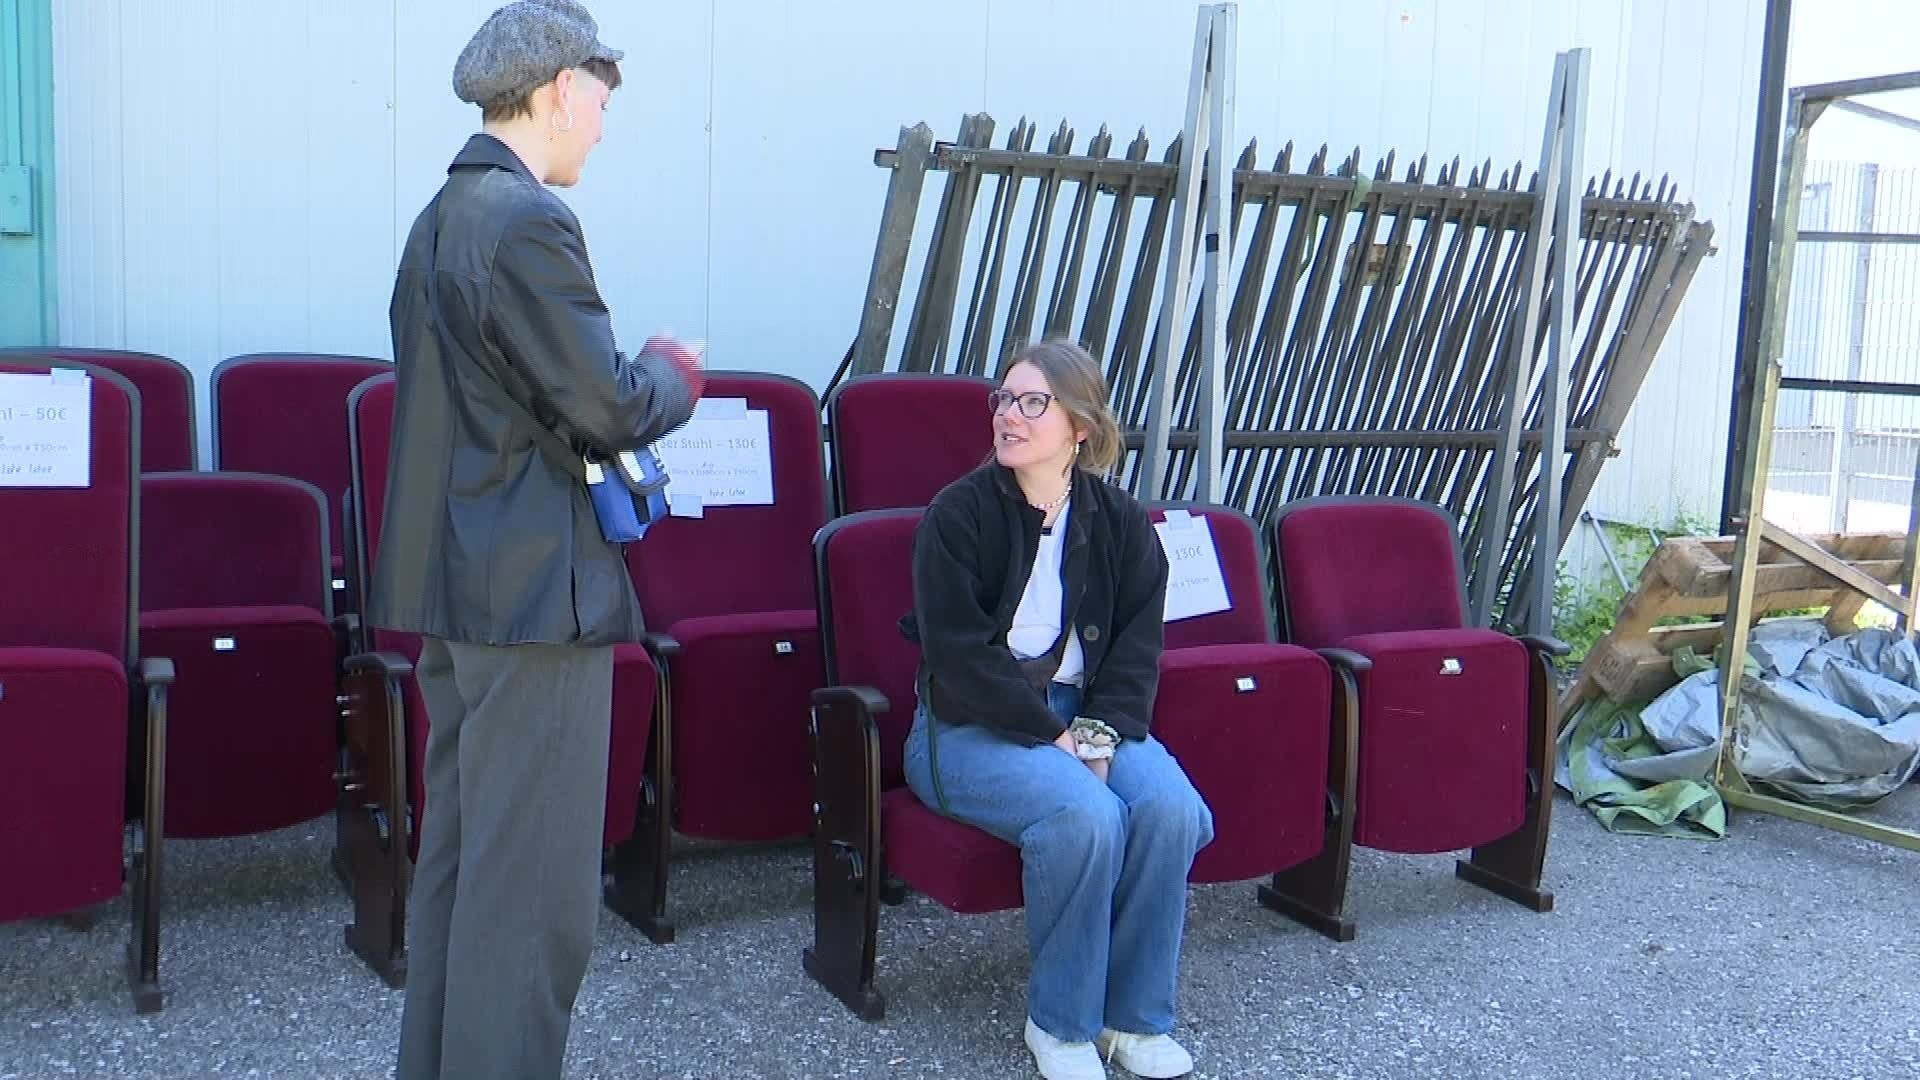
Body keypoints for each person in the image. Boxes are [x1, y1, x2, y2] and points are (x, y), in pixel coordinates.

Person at [369, 3, 702, 1078]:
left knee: (464, 873)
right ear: (562, 87)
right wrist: (674, 377)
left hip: (461, 599)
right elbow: (603, 406)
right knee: (536, 905)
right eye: (601, 100)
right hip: (533, 603)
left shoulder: (438, 220)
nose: (602, 125)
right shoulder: (528, 222)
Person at [902, 340, 1215, 1080]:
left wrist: (1097, 731)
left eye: (1031, 402)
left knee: (1169, 808)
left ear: (1079, 424)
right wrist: (1055, 735)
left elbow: (1138, 647)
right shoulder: (958, 514)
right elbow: (959, 656)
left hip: (1085, 711)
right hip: (966, 725)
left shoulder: (1120, 520)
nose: (1009, 416)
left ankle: (1132, 1022)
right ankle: (1062, 1025)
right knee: (1085, 814)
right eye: (1004, 400)